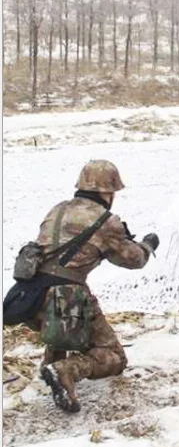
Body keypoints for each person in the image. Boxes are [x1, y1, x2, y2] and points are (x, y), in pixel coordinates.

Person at [6, 160, 159, 413]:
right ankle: (65, 370)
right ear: (108, 192)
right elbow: (134, 260)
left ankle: (53, 372)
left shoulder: (57, 210)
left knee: (63, 321)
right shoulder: (106, 220)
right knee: (114, 357)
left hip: (31, 296)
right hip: (66, 299)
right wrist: (148, 245)